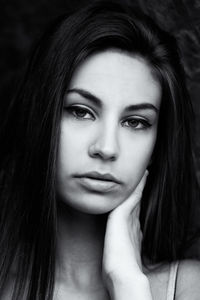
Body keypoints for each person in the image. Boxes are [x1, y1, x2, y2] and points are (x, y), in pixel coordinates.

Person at [0, 1, 200, 299]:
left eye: (135, 122)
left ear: (157, 145)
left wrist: (128, 284)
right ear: (41, 119)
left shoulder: (187, 287)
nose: (106, 148)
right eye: (81, 112)